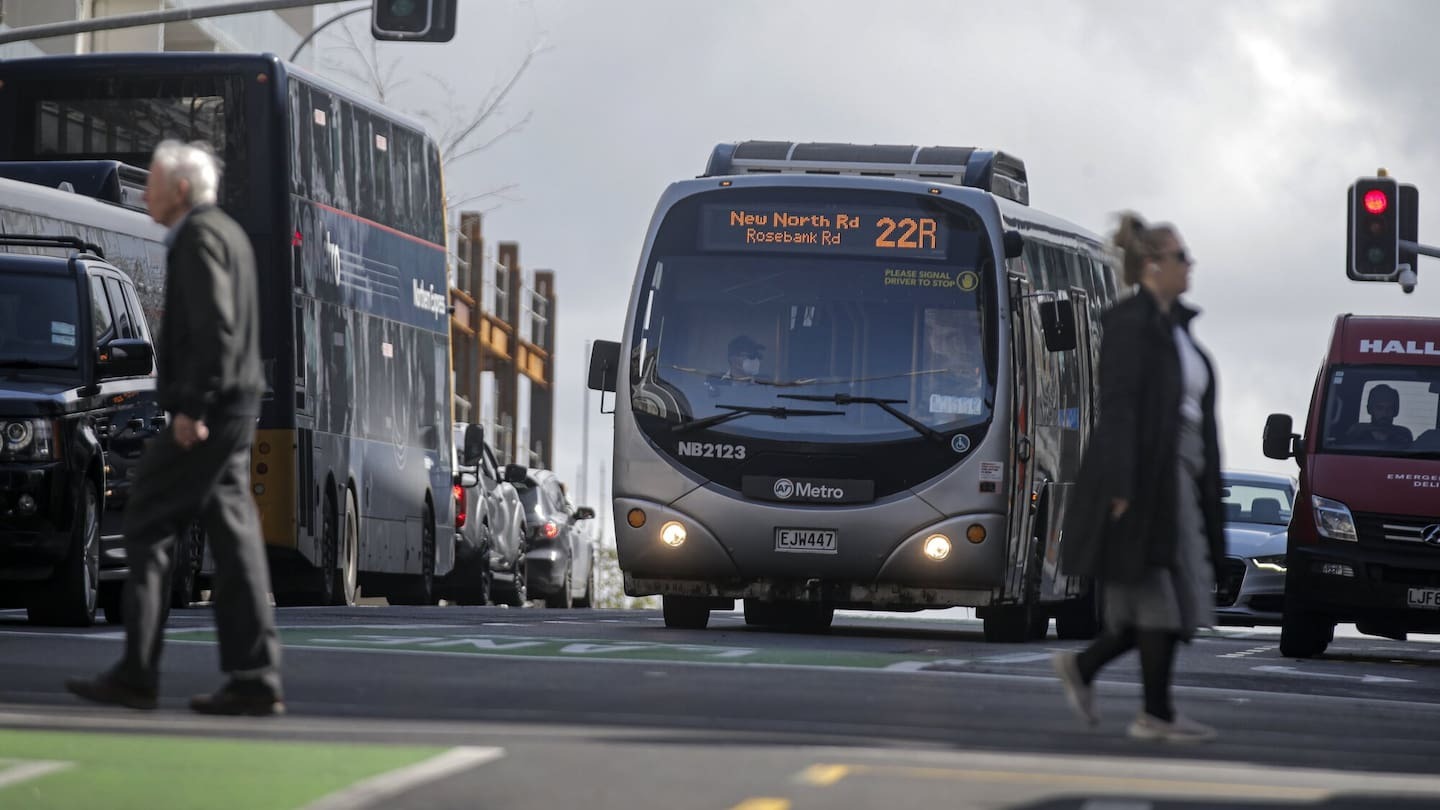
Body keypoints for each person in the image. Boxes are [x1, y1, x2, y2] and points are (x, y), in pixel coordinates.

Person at [66, 140, 283, 716]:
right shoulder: (229, 233)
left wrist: (191, 406)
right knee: (234, 542)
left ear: (180, 190)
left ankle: (139, 673)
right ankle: (254, 675)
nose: (147, 195)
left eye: (154, 184)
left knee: (146, 521)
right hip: (235, 406)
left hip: (208, 410)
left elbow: (215, 326)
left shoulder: (197, 238)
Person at [1051, 212, 1225, 743]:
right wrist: (1124, 486)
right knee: (1160, 594)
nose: (1189, 265)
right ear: (1152, 265)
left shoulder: (1173, 328)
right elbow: (1121, 407)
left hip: (1181, 471)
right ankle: (1155, 713)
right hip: (1149, 473)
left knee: (1171, 596)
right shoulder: (1131, 324)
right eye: (1181, 257)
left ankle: (1091, 672)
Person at [1342, 384, 1412, 447]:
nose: (1385, 413)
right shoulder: (1356, 434)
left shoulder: (1403, 437)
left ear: (1395, 411)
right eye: (1379, 408)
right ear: (1370, 409)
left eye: (1389, 408)